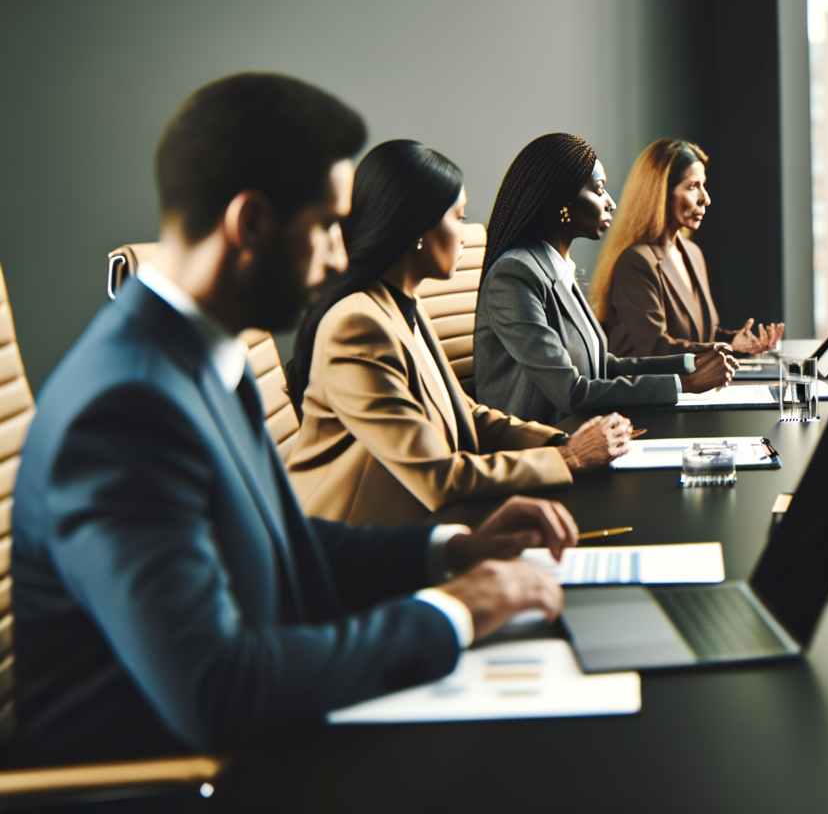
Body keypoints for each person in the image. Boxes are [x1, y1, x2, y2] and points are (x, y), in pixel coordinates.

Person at [11, 74, 578, 764]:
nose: (343, 255)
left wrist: (449, 553)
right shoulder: (124, 408)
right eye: (325, 229)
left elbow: (281, 544)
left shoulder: (202, 356)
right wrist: (455, 612)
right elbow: (217, 691)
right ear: (250, 224)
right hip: (172, 780)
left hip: (257, 744)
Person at [285, 140, 634, 524]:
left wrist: (561, 442)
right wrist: (568, 459)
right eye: (459, 217)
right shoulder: (358, 326)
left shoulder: (404, 307)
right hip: (355, 548)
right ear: (417, 227)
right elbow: (437, 476)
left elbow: (468, 415)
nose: (467, 235)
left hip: (420, 521)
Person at [474, 134, 735, 426]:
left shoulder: (556, 266)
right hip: (539, 448)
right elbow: (571, 391)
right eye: (599, 190)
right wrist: (685, 384)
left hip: (585, 432)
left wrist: (689, 363)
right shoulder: (514, 276)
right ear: (563, 200)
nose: (610, 202)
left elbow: (602, 365)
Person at [591, 139, 783, 358]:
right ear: (661, 193)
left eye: (703, 185)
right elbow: (656, 347)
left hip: (693, 389)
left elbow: (704, 336)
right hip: (654, 390)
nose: (706, 199)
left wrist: (741, 342)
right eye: (693, 187)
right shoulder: (636, 262)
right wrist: (729, 349)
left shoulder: (692, 252)